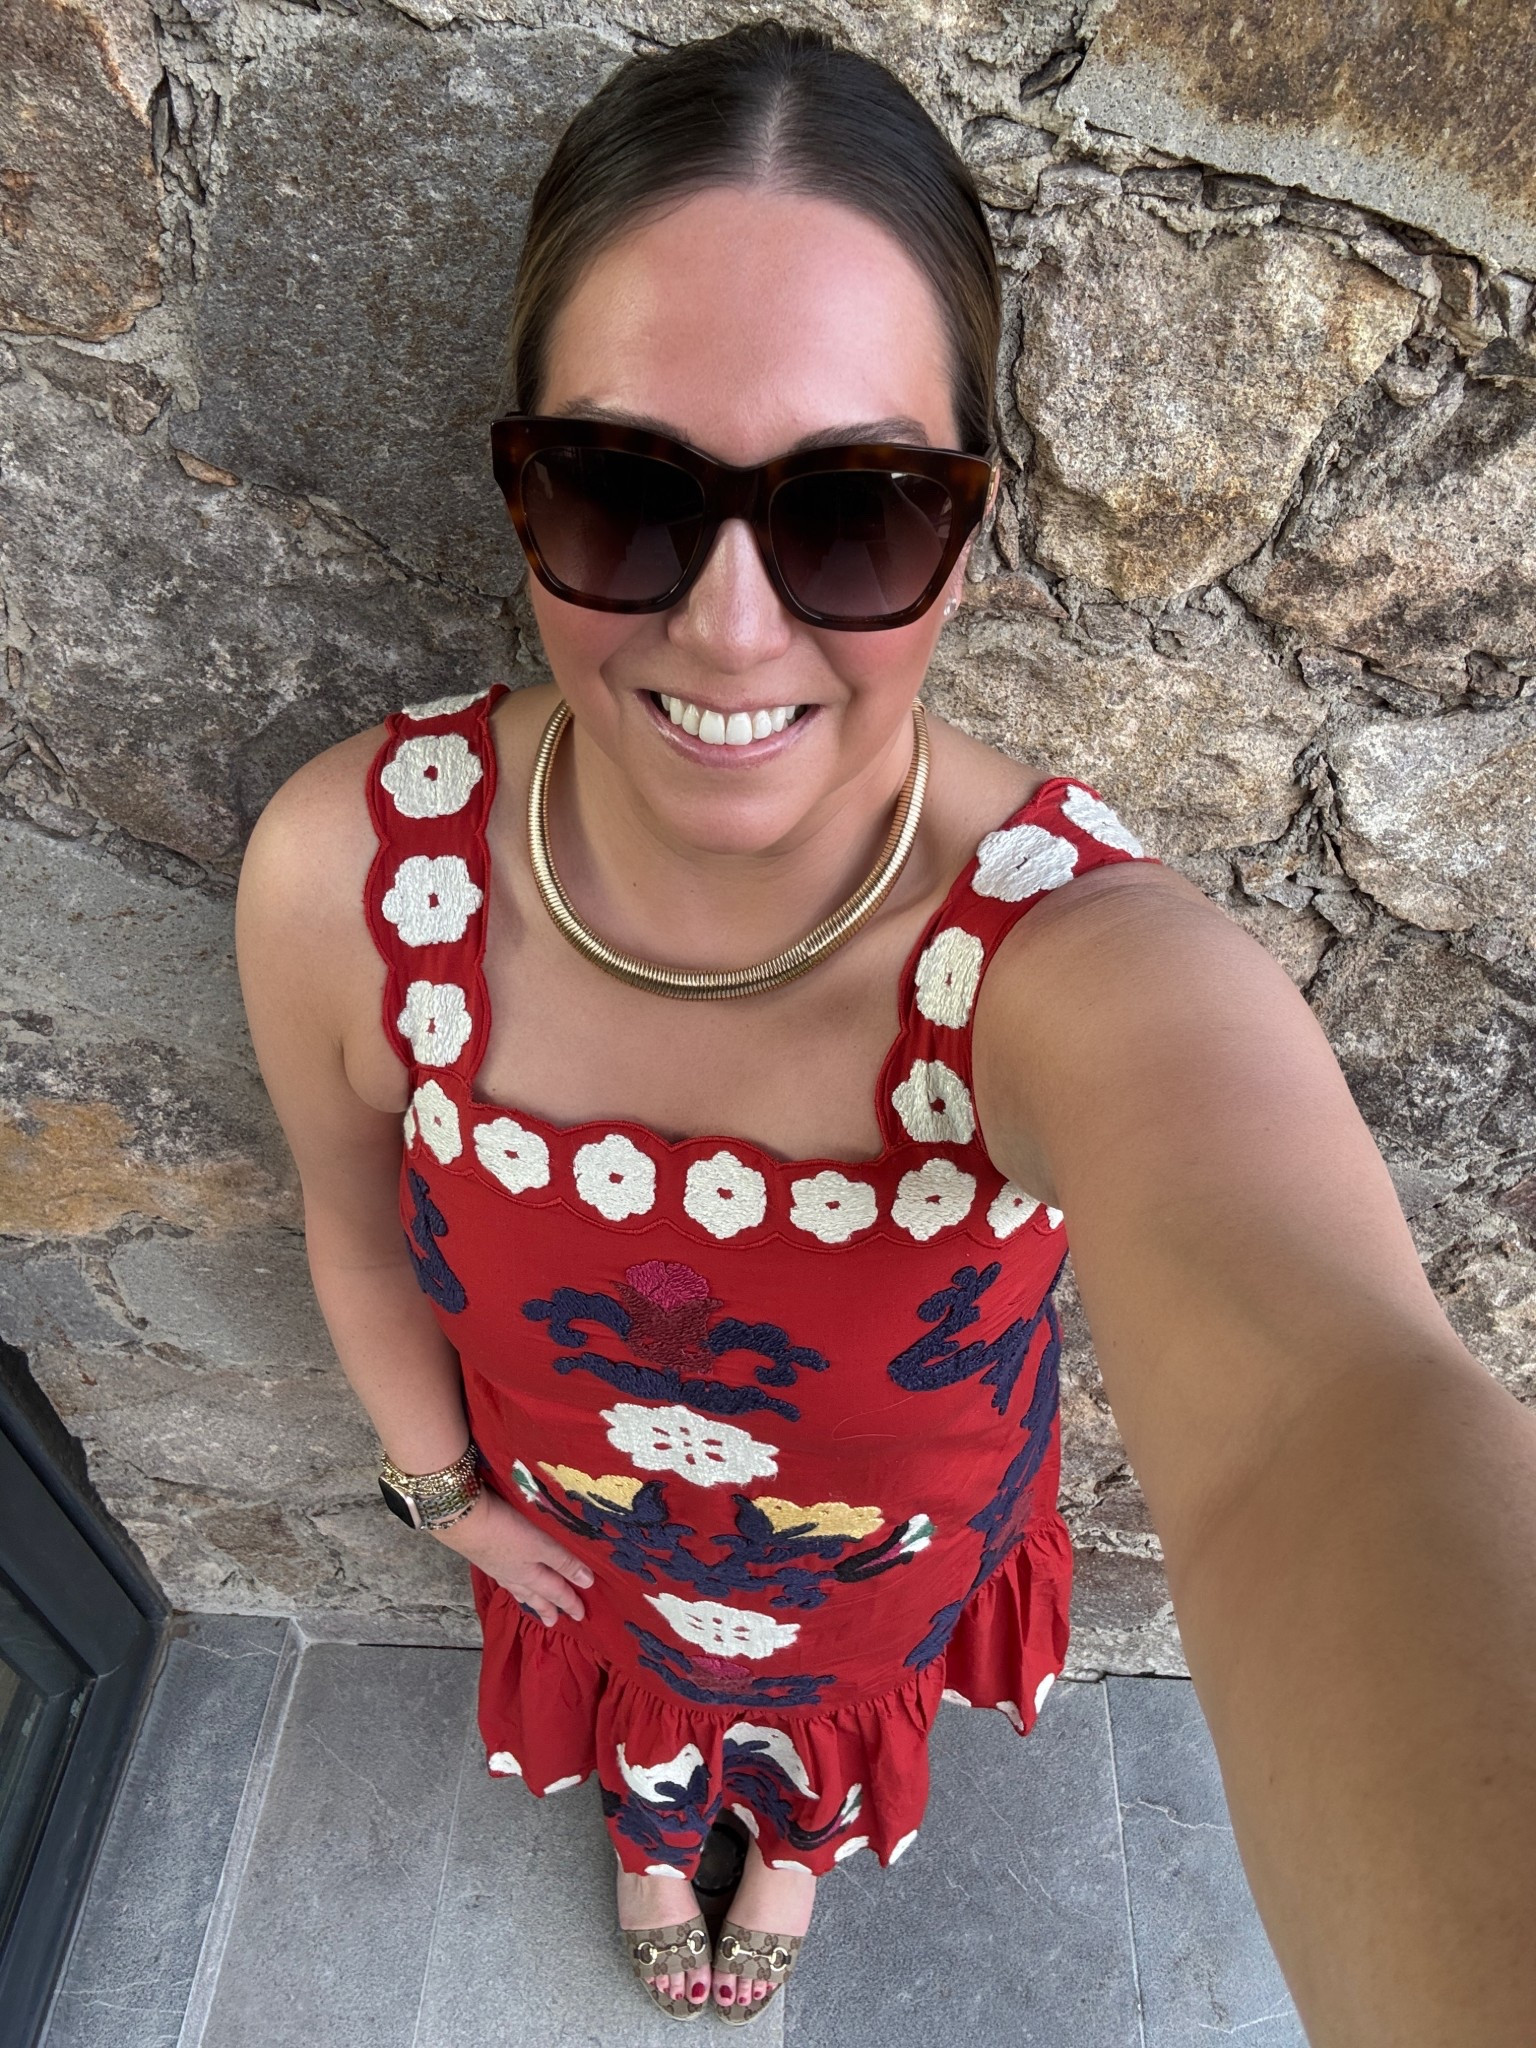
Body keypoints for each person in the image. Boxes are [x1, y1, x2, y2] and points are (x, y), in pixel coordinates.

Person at [234, 19, 1536, 2038]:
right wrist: (441, 1495)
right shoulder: (347, 878)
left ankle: (791, 1834)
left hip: (874, 1570)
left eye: (853, 511)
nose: (730, 623)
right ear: (520, 483)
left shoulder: (1060, 955)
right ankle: (662, 1820)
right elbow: (350, 1216)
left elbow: (1323, 1414)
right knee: (644, 1720)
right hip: (584, 1543)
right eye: (622, 489)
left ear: (969, 531)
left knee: (815, 1740)